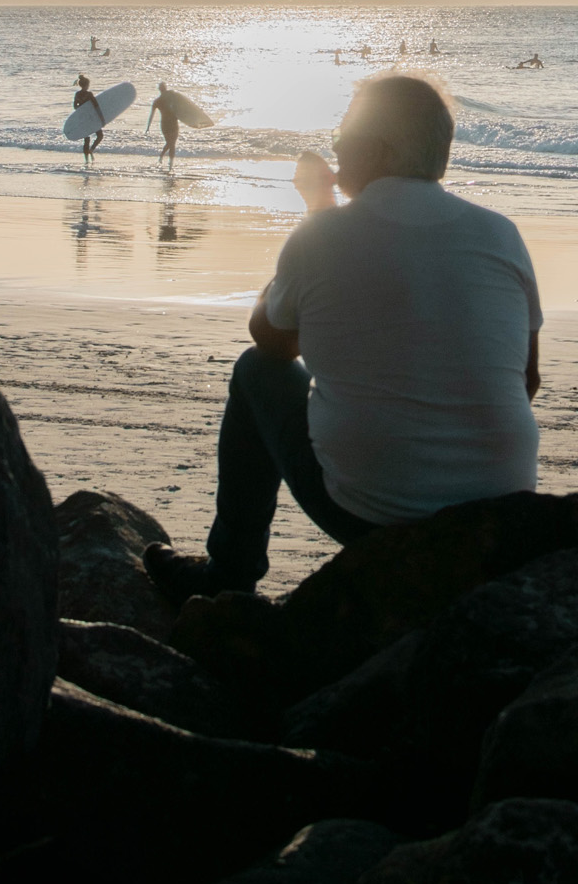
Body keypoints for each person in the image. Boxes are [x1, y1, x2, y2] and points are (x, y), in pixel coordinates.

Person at [143, 74, 542, 601]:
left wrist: (317, 207)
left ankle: (228, 577)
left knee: (254, 373)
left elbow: (272, 342)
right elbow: (527, 381)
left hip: (378, 517)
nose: (332, 145)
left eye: (343, 134)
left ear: (377, 150)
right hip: (497, 516)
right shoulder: (500, 234)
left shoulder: (324, 232)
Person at [151, 82, 181, 173]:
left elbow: (182, 106)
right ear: (161, 89)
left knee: (171, 143)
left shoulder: (161, 100)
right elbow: (151, 114)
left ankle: (167, 160)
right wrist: (148, 126)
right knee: (171, 143)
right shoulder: (160, 100)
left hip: (170, 123)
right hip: (168, 124)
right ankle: (167, 161)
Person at [74, 74, 104, 162]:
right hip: (92, 118)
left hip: (83, 118)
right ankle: (91, 149)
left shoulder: (77, 94)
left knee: (86, 138)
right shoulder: (89, 94)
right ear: (87, 85)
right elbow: (96, 106)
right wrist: (101, 118)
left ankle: (86, 159)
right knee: (100, 135)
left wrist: (81, 110)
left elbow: (75, 106)